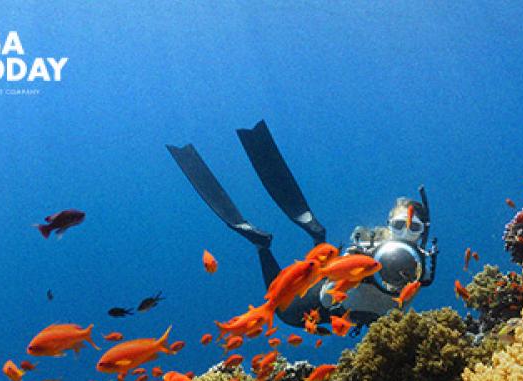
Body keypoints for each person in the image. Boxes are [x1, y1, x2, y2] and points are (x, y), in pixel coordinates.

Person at [167, 120, 438, 332]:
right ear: (389, 223)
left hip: (363, 320)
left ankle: (312, 238)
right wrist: (356, 263)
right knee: (283, 311)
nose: (405, 232)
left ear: (424, 232)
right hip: (325, 303)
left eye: (414, 228)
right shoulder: (371, 247)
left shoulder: (423, 263)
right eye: (400, 224)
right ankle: (267, 245)